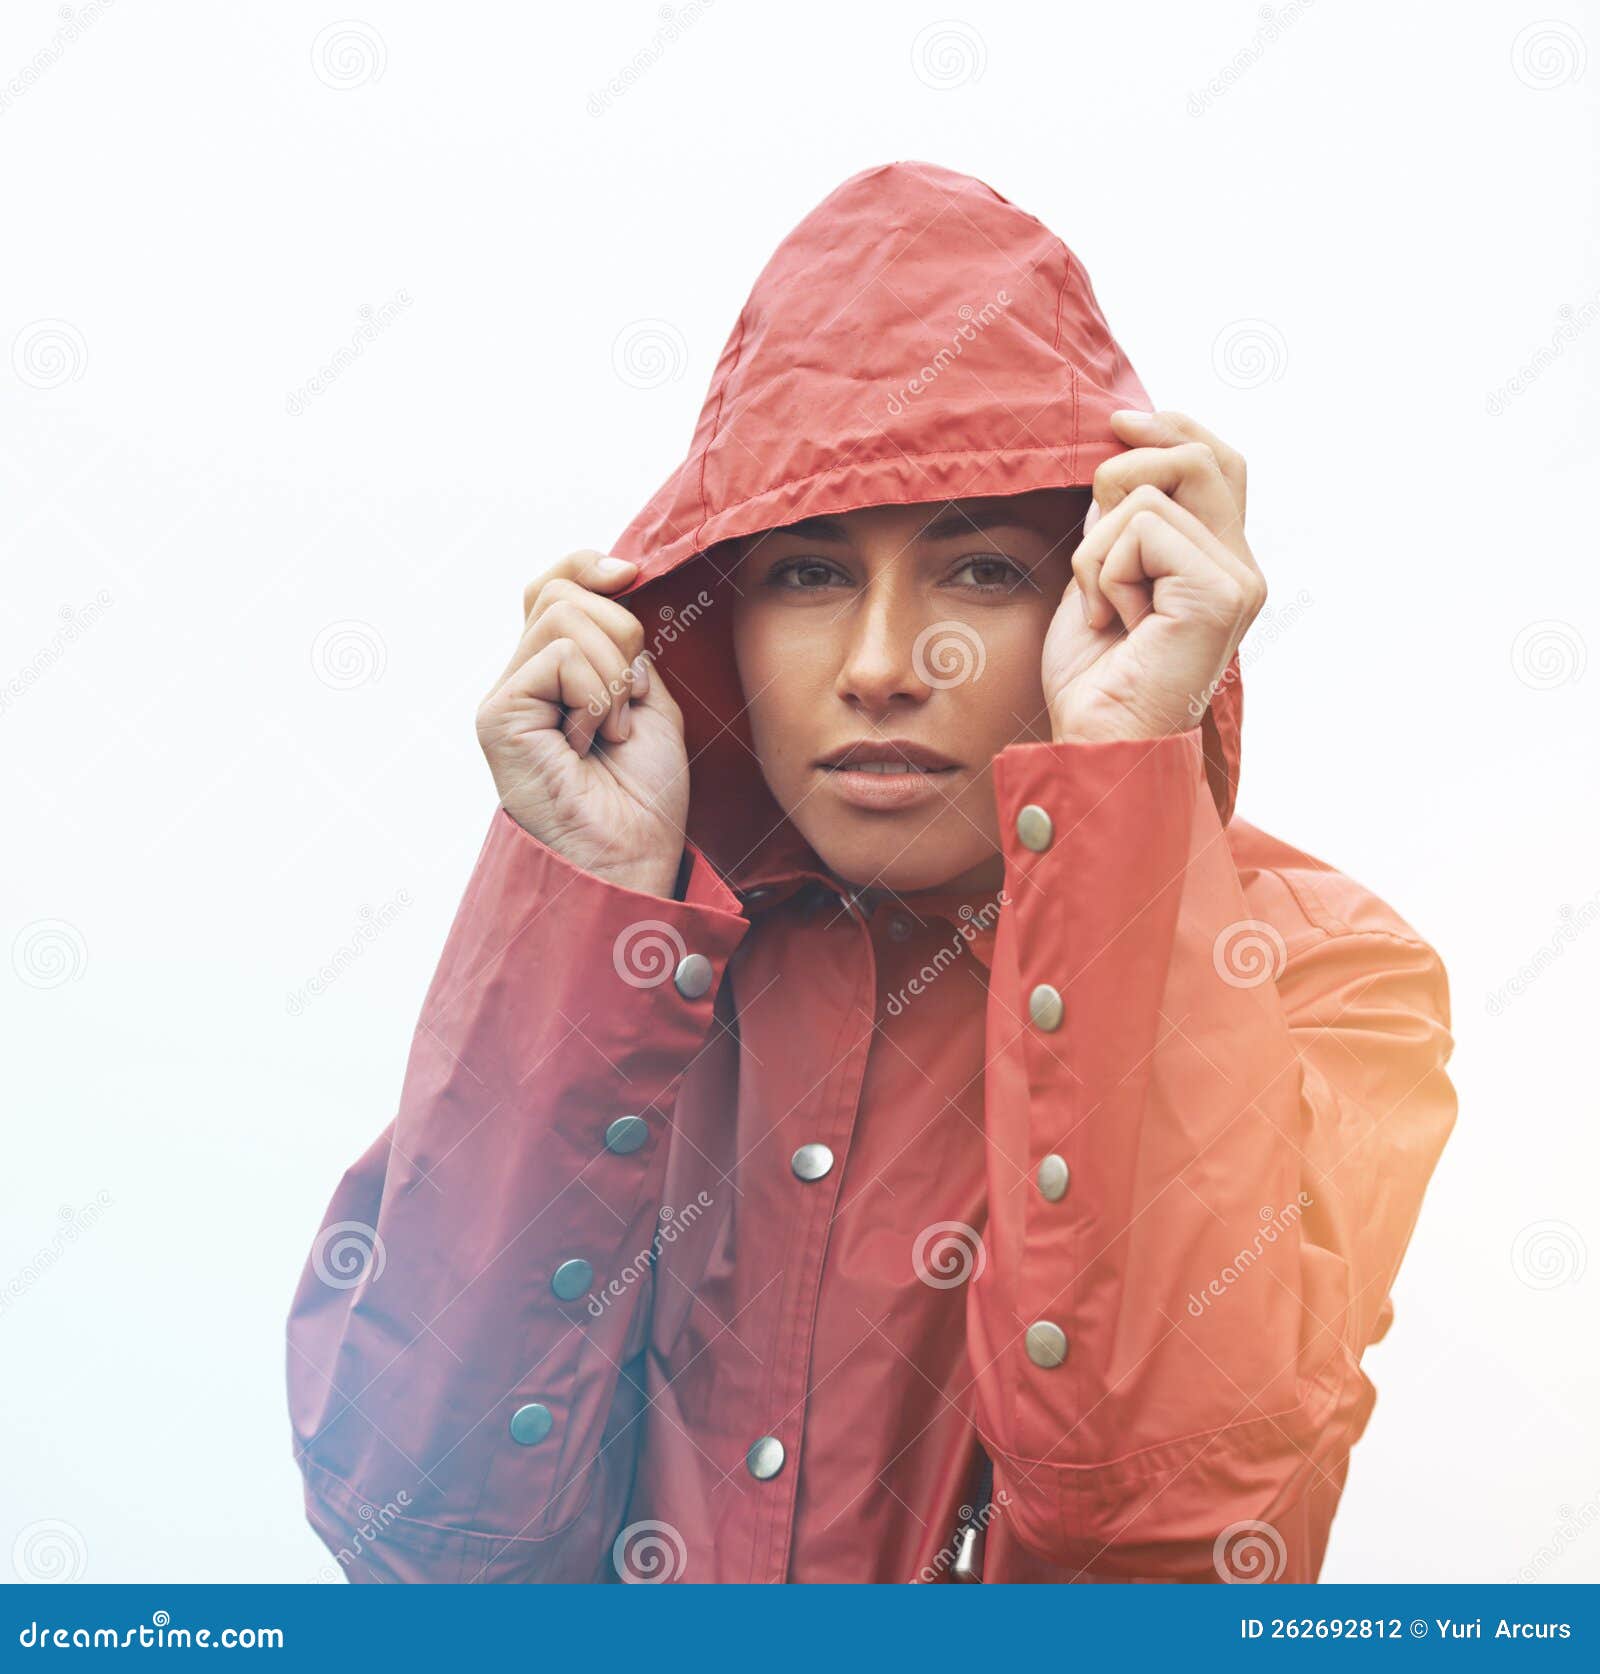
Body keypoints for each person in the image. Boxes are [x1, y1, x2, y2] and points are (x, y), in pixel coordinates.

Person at [287, 162, 1456, 1584]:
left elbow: (1173, 1531)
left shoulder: (1328, 971)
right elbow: (422, 1532)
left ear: (1105, 590)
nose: (885, 665)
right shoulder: (622, 962)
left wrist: (1120, 792)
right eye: (806, 575)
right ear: (704, 614)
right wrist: (582, 898)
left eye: (978, 573)